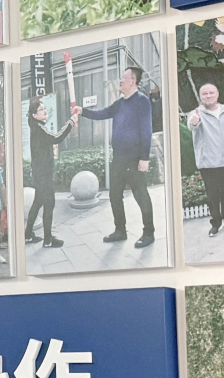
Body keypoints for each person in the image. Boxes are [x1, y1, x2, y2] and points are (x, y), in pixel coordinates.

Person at [74, 65, 157, 247]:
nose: (120, 80)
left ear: (133, 81)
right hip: (118, 158)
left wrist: (144, 158)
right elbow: (102, 113)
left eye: (123, 77)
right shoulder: (119, 103)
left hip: (134, 158)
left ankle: (148, 232)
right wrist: (83, 111)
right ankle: (120, 230)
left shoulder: (142, 101)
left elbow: (146, 130)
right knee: (114, 195)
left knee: (140, 195)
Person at [187, 82, 224, 235]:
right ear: (200, 96)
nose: (208, 96)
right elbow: (191, 126)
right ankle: (216, 223)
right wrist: (194, 121)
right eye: (204, 94)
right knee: (212, 195)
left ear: (217, 94)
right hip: (208, 162)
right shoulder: (196, 113)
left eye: (211, 93)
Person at [24, 95, 73, 247]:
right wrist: (70, 123)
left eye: (44, 108)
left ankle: (28, 235)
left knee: (38, 203)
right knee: (49, 204)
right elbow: (57, 138)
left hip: (40, 173)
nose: (44, 111)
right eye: (41, 109)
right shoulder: (39, 129)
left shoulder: (36, 127)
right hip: (44, 174)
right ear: (34, 115)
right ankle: (48, 240)